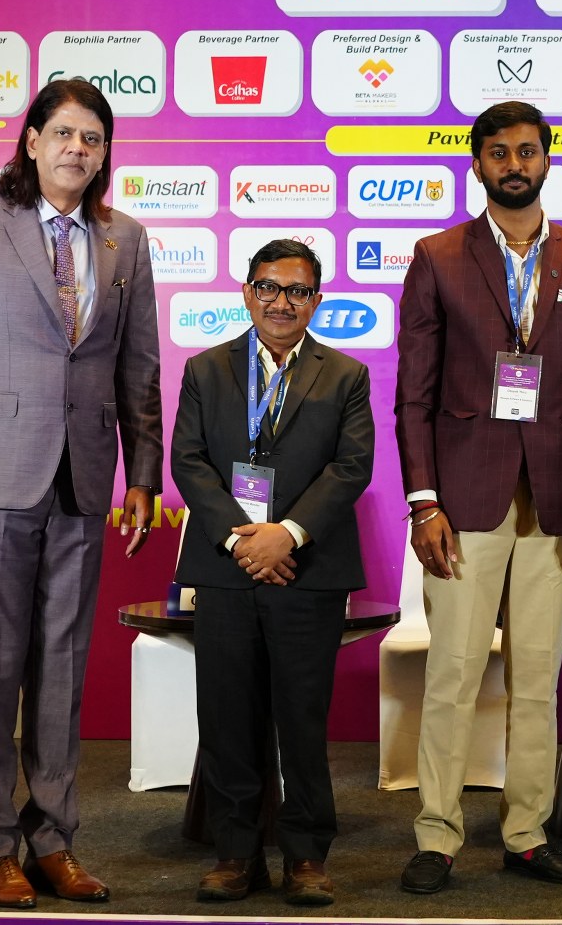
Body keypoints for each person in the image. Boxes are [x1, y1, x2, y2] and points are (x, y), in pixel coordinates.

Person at [0, 78, 163, 908]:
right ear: (31, 140)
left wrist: (144, 474)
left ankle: (53, 839)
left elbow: (140, 370)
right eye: (62, 133)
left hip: (83, 480)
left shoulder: (126, 239)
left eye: (92, 138)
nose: (76, 149)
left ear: (104, 151)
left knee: (62, 667)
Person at [394, 100, 562, 893]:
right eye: (498, 153)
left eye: (526, 151)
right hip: (461, 503)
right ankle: (437, 834)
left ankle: (526, 831)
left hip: (552, 505)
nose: (514, 165)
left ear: (547, 159)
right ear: (477, 162)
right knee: (451, 674)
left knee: (537, 678)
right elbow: (413, 395)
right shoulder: (439, 256)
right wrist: (423, 502)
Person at [171, 239, 374, 906]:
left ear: (316, 300)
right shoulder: (205, 369)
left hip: (306, 570)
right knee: (226, 716)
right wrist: (243, 539)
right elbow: (189, 460)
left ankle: (307, 855)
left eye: (297, 290)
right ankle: (236, 853)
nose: (281, 301)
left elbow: (351, 466)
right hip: (227, 569)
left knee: (302, 720)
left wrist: (285, 535)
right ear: (246, 291)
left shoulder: (346, 374)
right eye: (268, 286)